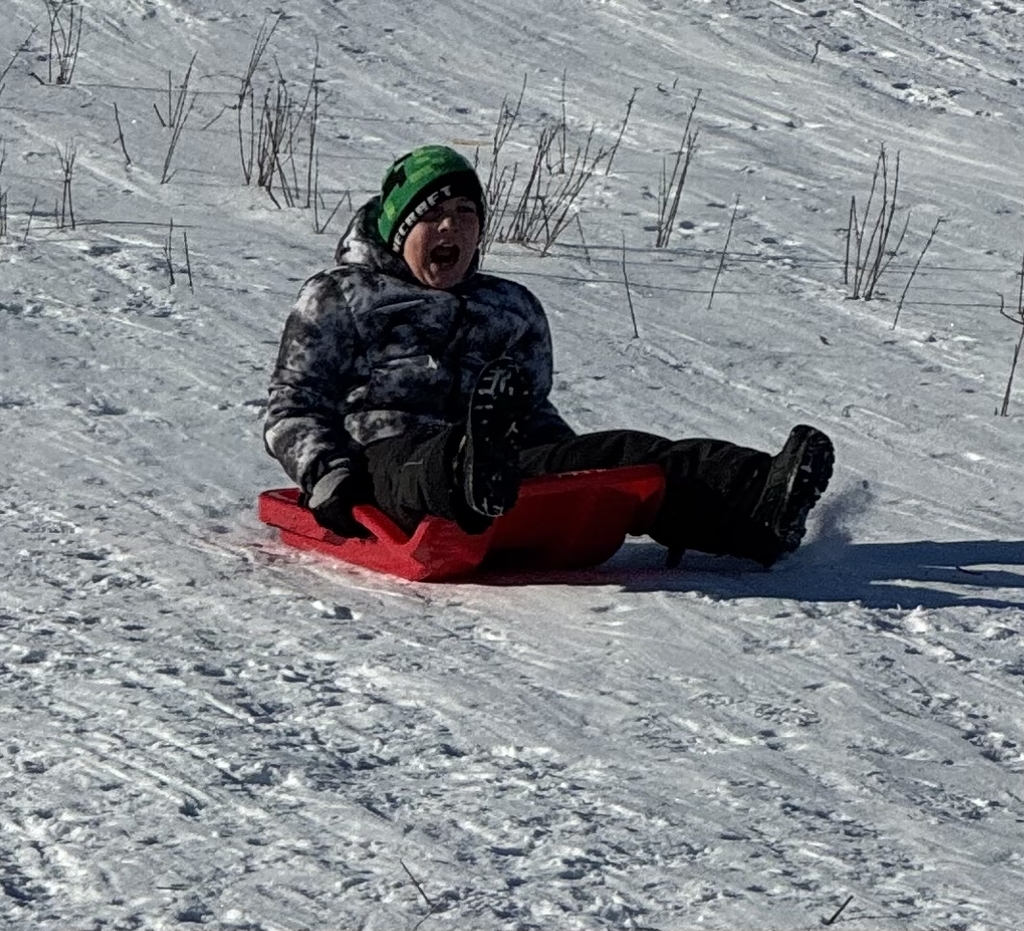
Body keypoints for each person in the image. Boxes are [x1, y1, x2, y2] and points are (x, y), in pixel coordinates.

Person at [265, 145, 834, 568]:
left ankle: (757, 504)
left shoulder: (509, 308)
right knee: (426, 461)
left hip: (500, 466)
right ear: (399, 230)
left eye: (465, 215)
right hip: (380, 465)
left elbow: (532, 411)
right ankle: (468, 468)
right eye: (434, 216)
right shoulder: (341, 295)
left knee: (627, 455)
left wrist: (578, 468)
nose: (451, 228)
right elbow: (293, 406)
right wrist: (327, 475)